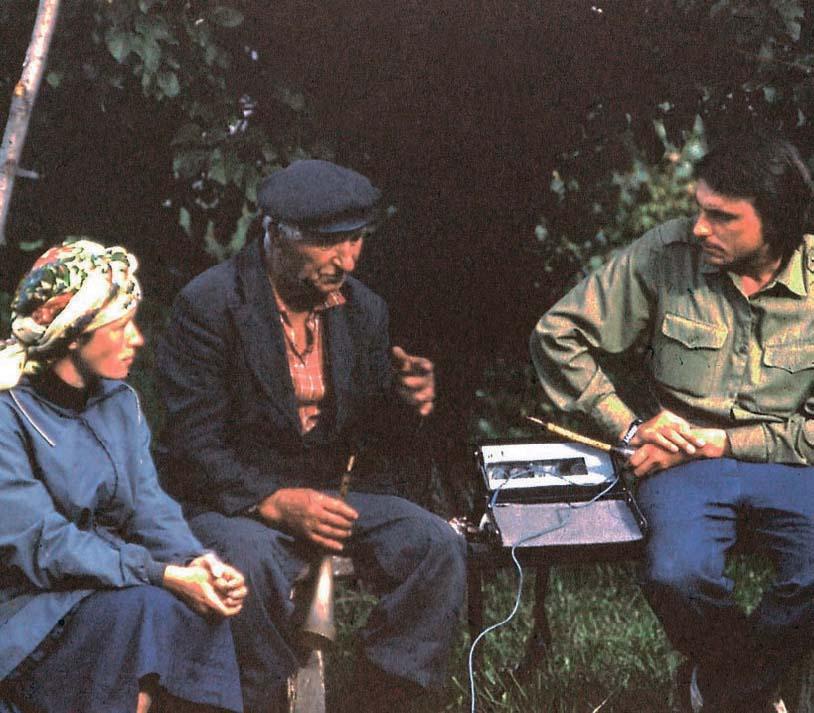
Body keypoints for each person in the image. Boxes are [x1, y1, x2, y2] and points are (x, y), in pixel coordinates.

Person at [155, 159, 467, 712]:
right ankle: (261, 699)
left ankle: (382, 699)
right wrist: (273, 501)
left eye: (357, 240)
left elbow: (372, 438)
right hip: (233, 502)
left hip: (330, 494)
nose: (347, 260)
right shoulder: (208, 306)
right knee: (246, 562)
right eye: (329, 244)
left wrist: (406, 403)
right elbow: (191, 446)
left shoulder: (363, 309)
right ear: (276, 234)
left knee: (435, 546)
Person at [530, 129, 814, 713]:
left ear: (778, 221)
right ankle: (747, 682)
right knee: (676, 575)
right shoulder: (667, 253)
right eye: (699, 208)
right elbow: (558, 335)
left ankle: (723, 689)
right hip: (679, 463)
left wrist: (722, 442)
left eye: (722, 216)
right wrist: (628, 427)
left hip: (791, 460)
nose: (701, 228)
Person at [0, 240, 247, 713]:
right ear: (73, 336)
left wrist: (197, 562)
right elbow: (43, 543)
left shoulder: (119, 403)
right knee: (148, 610)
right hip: (30, 608)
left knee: (201, 612)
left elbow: (150, 507)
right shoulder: (8, 413)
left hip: (110, 586)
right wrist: (160, 574)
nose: (137, 339)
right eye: (120, 327)